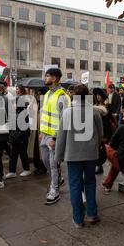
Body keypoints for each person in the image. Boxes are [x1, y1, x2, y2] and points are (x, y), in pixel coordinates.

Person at [55, 84, 103, 228]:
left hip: (73, 155)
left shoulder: (67, 112)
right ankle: (92, 214)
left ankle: (77, 219)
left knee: (75, 186)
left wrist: (58, 155)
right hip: (90, 155)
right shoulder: (94, 112)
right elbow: (101, 135)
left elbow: (61, 136)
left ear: (73, 95)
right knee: (90, 183)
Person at [39, 68, 71, 205]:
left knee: (53, 165)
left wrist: (56, 138)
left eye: (48, 76)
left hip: (54, 137)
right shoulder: (47, 94)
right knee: (45, 161)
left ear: (55, 78)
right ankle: (58, 180)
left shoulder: (62, 96)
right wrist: (41, 132)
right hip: (45, 134)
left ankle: (55, 191)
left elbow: (66, 119)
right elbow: (44, 114)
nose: (45, 78)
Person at [5, 86, 31, 179]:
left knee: (23, 154)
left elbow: (24, 128)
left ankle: (27, 169)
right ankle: (12, 171)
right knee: (13, 155)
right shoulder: (14, 112)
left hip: (21, 138)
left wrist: (16, 137)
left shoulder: (24, 114)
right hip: (14, 137)